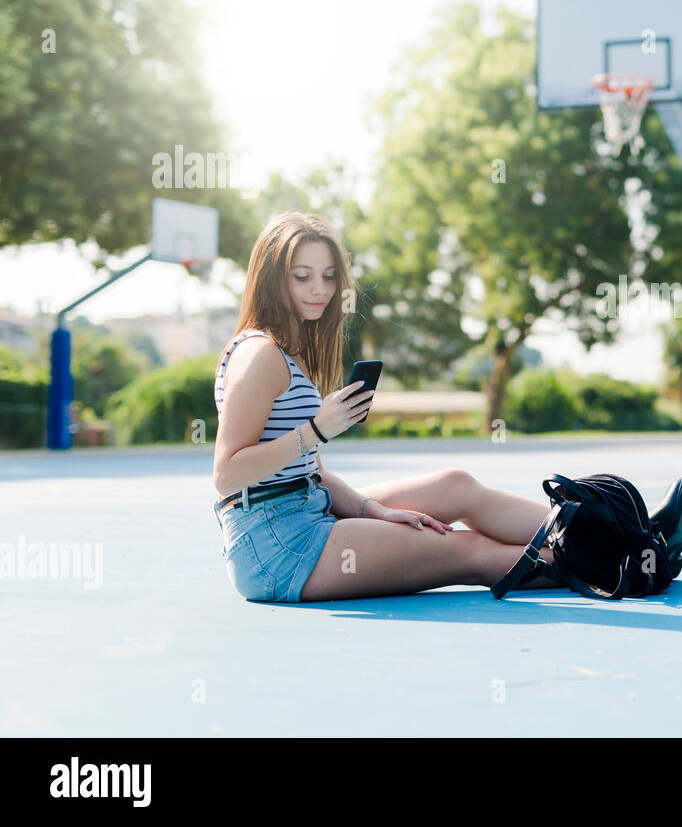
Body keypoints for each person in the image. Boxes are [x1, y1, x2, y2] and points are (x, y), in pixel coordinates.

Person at [210, 211, 586, 603]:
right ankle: (610, 561)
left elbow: (313, 473)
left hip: (307, 507)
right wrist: (315, 431)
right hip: (276, 545)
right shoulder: (260, 354)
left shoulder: (293, 352)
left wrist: (374, 511)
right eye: (302, 276)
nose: (319, 288)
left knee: (454, 486)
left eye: (329, 275)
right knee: (468, 550)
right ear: (272, 279)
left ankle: (607, 532)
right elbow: (226, 475)